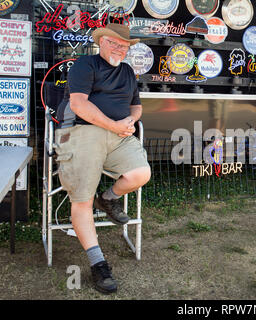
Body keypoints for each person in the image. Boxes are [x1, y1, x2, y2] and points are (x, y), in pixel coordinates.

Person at [54, 23, 151, 294]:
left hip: (119, 135)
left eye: (125, 45)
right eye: (114, 43)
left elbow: (136, 105)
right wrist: (114, 125)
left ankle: (107, 198)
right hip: (81, 131)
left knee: (140, 174)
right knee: (81, 200)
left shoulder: (128, 71)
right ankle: (98, 263)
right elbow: (78, 104)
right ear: (102, 42)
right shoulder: (85, 65)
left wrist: (130, 120)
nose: (120, 48)